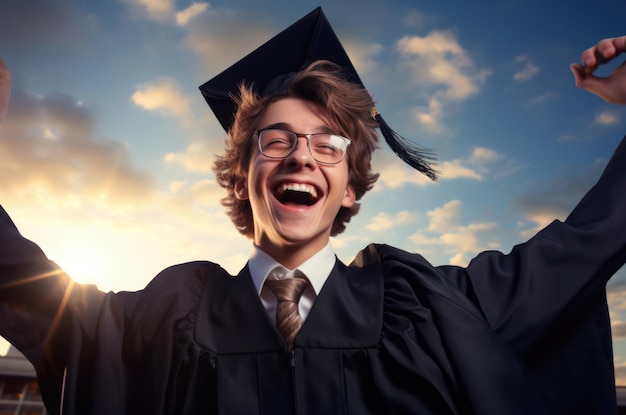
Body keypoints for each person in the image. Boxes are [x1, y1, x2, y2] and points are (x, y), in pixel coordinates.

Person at [1, 7, 625, 415]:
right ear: (243, 179)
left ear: (350, 187)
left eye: (328, 144)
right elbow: (17, 280)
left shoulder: (437, 307)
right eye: (276, 140)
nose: (302, 155)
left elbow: (592, 241)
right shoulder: (164, 320)